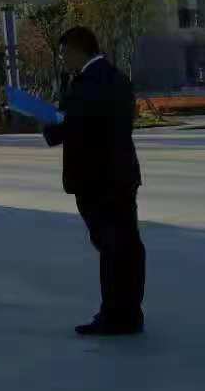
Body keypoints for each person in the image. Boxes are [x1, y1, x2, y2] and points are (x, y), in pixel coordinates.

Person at [43, 26, 145, 336]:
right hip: (123, 176)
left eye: (64, 54)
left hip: (95, 181)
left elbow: (62, 131)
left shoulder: (84, 85)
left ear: (77, 51)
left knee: (111, 248)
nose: (63, 60)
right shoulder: (118, 79)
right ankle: (130, 313)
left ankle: (114, 316)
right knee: (127, 246)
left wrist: (47, 118)